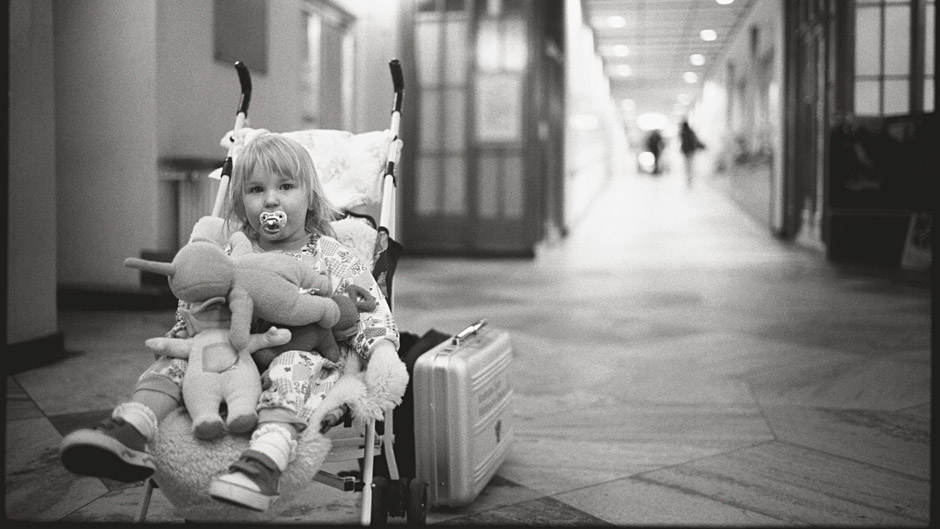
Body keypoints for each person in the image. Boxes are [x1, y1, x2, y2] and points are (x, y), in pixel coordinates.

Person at [59, 132, 401, 513]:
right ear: (241, 202)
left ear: (310, 199)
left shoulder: (329, 253)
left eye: (286, 186)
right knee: (180, 358)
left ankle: (264, 460)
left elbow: (370, 309)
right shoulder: (230, 251)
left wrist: (381, 350)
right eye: (256, 189)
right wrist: (187, 334)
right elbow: (195, 304)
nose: (271, 199)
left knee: (297, 367)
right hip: (230, 351)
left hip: (295, 350)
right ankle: (132, 429)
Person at [679, 120, 705, 186]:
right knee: (690, 165)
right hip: (690, 151)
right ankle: (689, 179)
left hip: (686, 152)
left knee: (687, 165)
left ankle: (689, 179)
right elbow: (695, 141)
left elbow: (685, 143)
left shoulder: (683, 133)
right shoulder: (690, 132)